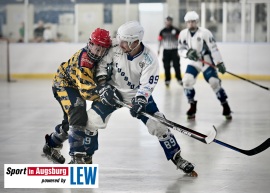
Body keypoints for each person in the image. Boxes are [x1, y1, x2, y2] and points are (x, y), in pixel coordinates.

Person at [85, 21, 197, 176]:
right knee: (90, 121)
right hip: (113, 92)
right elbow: (102, 65)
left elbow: (146, 85)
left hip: (135, 95)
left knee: (159, 126)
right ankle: (85, 158)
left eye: (124, 41)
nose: (120, 43)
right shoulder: (116, 46)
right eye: (120, 39)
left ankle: (177, 157)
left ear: (135, 42)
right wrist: (103, 85)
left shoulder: (149, 59)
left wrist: (140, 101)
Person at [42, 28, 112, 164]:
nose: (99, 53)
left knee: (73, 122)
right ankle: (76, 157)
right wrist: (105, 96)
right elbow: (86, 92)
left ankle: (51, 145)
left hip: (75, 86)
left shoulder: (102, 56)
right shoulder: (84, 60)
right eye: (97, 48)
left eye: (103, 50)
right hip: (63, 84)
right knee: (77, 110)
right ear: (90, 44)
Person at [178, 11, 232, 120]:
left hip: (206, 61)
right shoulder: (183, 34)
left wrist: (219, 62)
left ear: (197, 22)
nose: (191, 24)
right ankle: (192, 106)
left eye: (193, 22)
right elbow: (180, 50)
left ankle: (225, 105)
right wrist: (187, 53)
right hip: (194, 62)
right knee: (187, 81)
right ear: (186, 23)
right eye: (189, 22)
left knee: (214, 82)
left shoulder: (205, 33)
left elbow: (214, 48)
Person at [158, 16, 182, 87]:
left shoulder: (176, 30)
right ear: (165, 22)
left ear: (171, 22)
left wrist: (180, 49)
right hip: (166, 51)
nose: (168, 22)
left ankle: (179, 79)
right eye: (167, 21)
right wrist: (158, 49)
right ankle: (167, 80)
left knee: (176, 65)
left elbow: (180, 40)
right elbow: (159, 41)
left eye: (169, 21)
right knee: (166, 66)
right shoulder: (162, 31)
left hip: (175, 50)